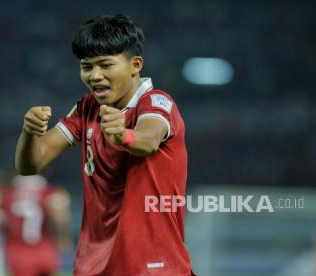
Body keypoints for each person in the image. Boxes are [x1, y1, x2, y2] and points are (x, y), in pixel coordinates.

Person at [15, 14, 194, 275]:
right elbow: (31, 165)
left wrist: (124, 135)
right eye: (87, 67)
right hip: (94, 265)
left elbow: (149, 139)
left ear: (135, 64)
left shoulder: (155, 103)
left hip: (153, 266)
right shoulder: (88, 108)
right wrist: (29, 133)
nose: (95, 75)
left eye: (105, 65)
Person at [0, 174, 72, 276]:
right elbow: (60, 217)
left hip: (17, 252)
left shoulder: (5, 194)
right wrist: (63, 237)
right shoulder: (50, 192)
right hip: (46, 249)